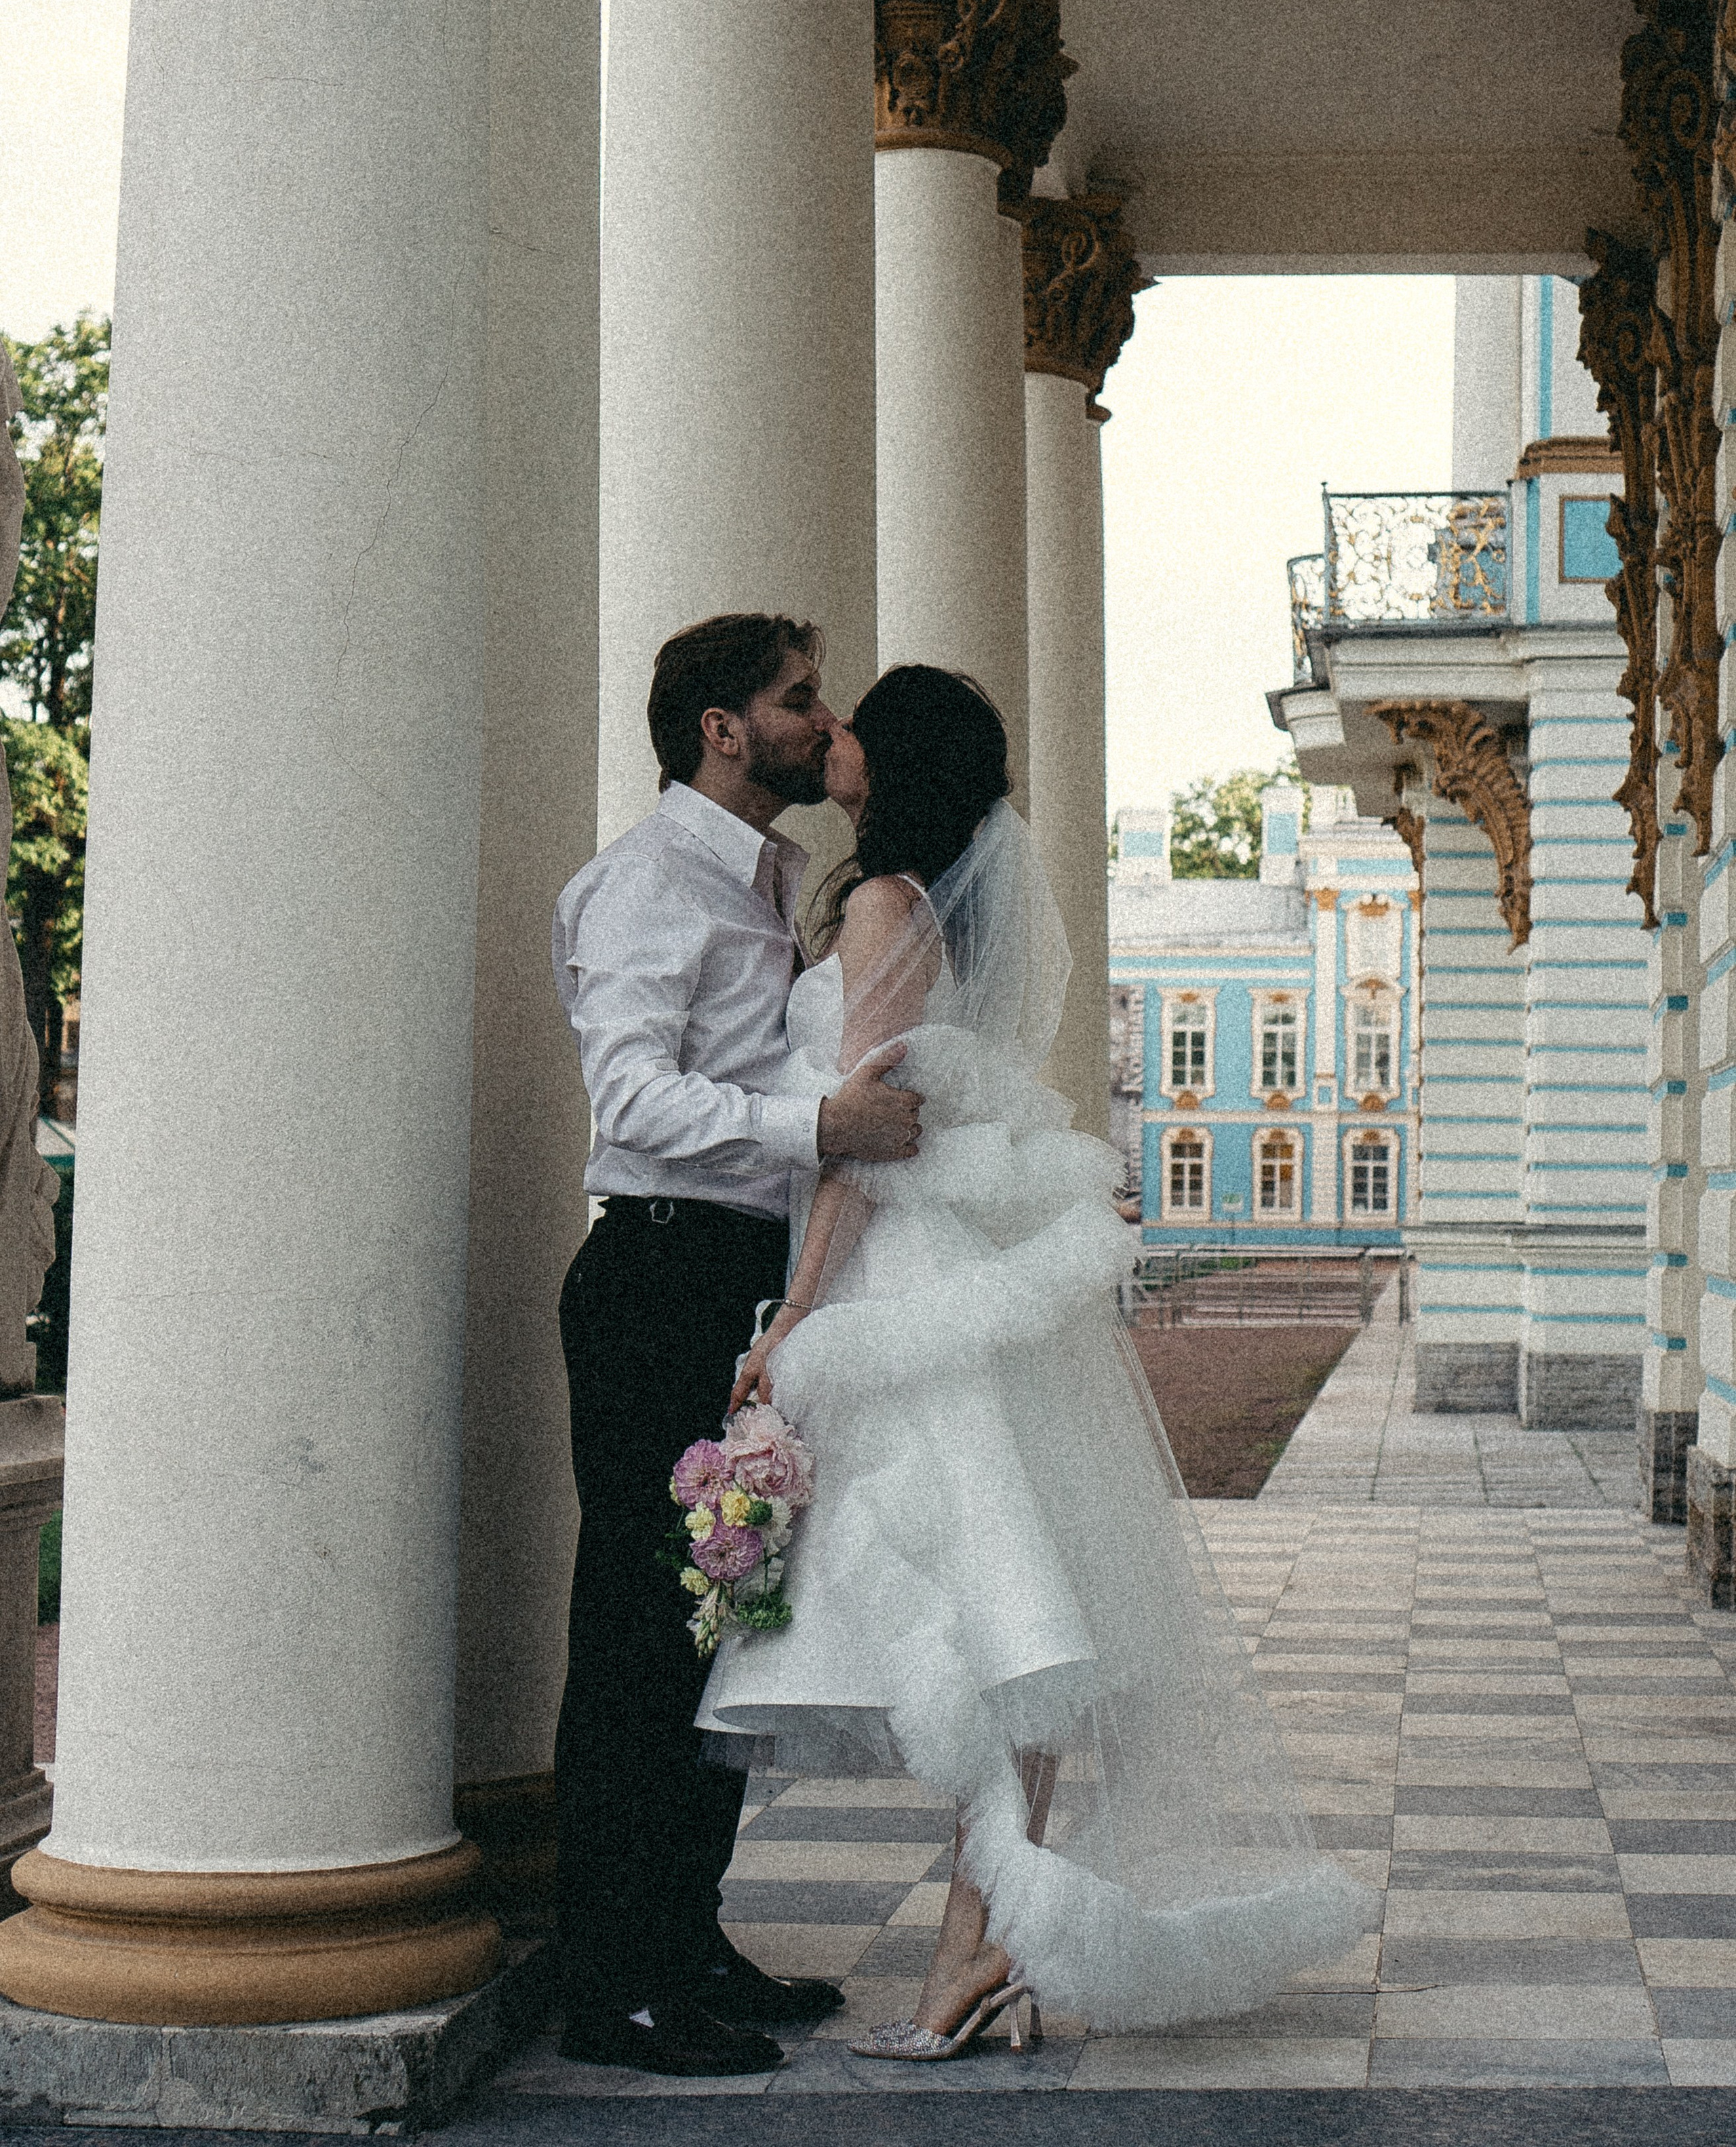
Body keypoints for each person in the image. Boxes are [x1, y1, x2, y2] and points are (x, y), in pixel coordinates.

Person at [703, 665, 1377, 2056]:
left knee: (1006, 1618)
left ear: (892, 765)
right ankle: (986, 1941)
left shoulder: (886, 908)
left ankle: (978, 1944)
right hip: (943, 1272)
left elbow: (861, 1135)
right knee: (1010, 1617)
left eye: (853, 726)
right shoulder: (899, 901)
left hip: (902, 1275)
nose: (829, 735)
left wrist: (795, 1319)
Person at [551, 614, 925, 2079]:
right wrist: (814, 1126)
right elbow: (629, 1102)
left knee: (719, 1621)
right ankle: (611, 1980)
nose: (816, 721)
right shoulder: (647, 885)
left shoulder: (762, 876)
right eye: (794, 700)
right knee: (640, 1637)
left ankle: (683, 1935)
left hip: (734, 1284)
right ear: (720, 727)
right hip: (654, 1277)